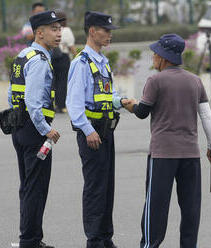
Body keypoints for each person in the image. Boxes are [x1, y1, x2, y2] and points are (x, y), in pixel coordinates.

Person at [124, 34, 211, 248]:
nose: (153, 58)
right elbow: (206, 116)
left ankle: (150, 245)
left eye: (155, 54)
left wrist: (128, 104)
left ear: (164, 57)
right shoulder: (195, 81)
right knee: (190, 208)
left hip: (163, 156)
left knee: (156, 207)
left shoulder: (155, 81)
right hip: (190, 155)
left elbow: (142, 112)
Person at [66, 11, 131, 248]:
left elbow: (105, 95)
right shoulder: (81, 63)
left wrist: (121, 102)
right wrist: (87, 130)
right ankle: (94, 240)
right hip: (91, 134)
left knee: (107, 187)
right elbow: (73, 104)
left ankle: (105, 237)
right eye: (106, 30)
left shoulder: (102, 62)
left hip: (106, 131)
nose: (110, 35)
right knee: (95, 188)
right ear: (92, 31)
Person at [8, 10, 64, 248]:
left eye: (59, 28)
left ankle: (31, 238)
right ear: (39, 33)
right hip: (34, 131)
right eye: (53, 29)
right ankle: (30, 241)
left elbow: (13, 94)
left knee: (28, 186)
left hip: (20, 127)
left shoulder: (23, 55)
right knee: (36, 187)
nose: (59, 32)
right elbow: (33, 100)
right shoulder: (40, 60)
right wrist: (45, 129)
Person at [52, 11, 76, 113]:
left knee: (53, 82)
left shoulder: (52, 30)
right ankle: (61, 105)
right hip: (63, 57)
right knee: (62, 82)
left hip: (52, 58)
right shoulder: (66, 30)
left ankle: (52, 104)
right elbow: (71, 46)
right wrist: (76, 56)